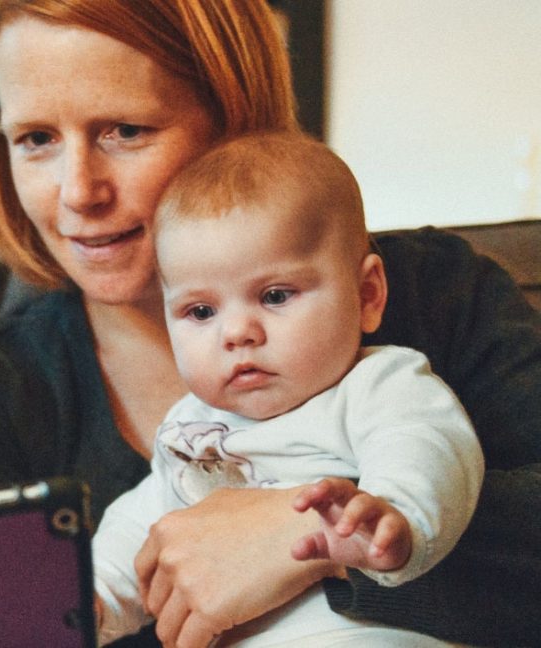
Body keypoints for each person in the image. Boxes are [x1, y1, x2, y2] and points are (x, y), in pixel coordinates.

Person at [0, 1, 541, 646]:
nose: (79, 191)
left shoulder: (437, 296)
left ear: (232, 115)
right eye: (36, 139)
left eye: (125, 131)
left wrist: (307, 544)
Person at [92, 131, 485, 645]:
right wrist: (90, 600)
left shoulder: (377, 384)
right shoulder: (189, 428)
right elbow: (144, 528)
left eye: (275, 295)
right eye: (201, 311)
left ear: (367, 295)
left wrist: (395, 516)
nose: (237, 333)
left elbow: (426, 446)